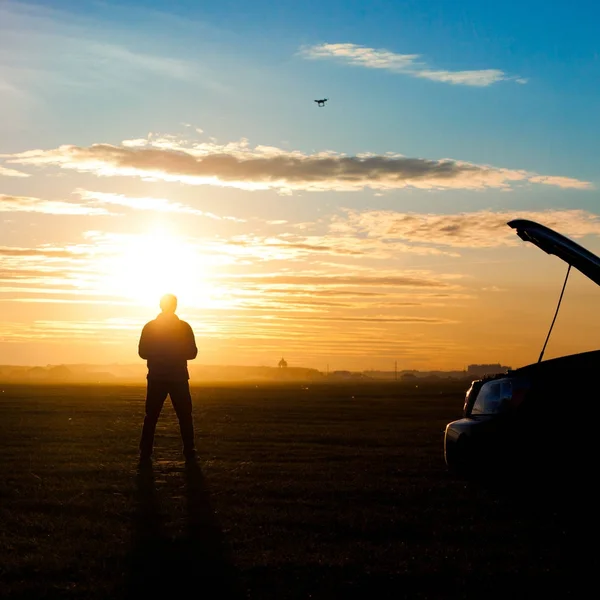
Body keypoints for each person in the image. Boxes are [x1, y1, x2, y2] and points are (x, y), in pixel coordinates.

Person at [138, 293, 198, 462]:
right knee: (184, 416)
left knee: (152, 416)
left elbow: (143, 352)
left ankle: (145, 452)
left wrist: (159, 355)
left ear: (160, 305)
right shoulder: (184, 327)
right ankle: (189, 450)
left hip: (157, 377)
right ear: (175, 306)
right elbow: (192, 353)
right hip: (177, 377)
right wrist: (176, 354)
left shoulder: (150, 327)